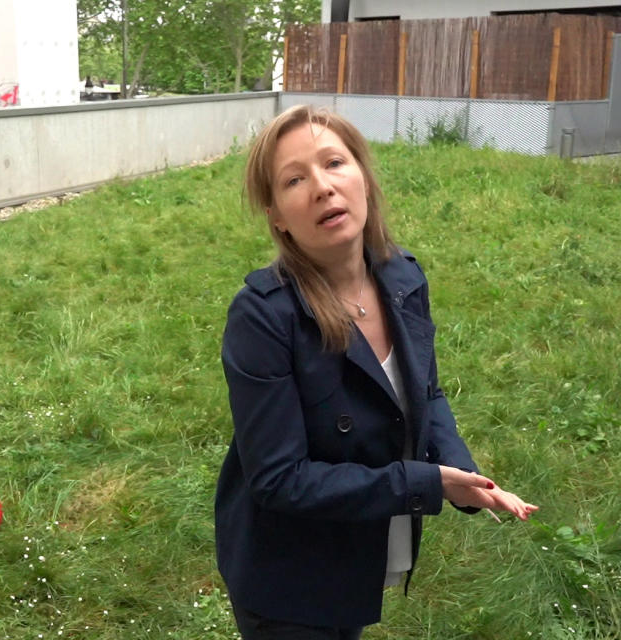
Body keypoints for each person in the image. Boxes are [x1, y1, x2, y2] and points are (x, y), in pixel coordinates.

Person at [215, 105, 537, 639]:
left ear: (362, 174)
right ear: (276, 215)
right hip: (288, 572)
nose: (322, 187)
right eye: (295, 179)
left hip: (362, 540)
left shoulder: (402, 275)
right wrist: (426, 482)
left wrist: (463, 475)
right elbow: (278, 479)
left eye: (334, 162)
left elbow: (426, 395)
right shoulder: (263, 316)